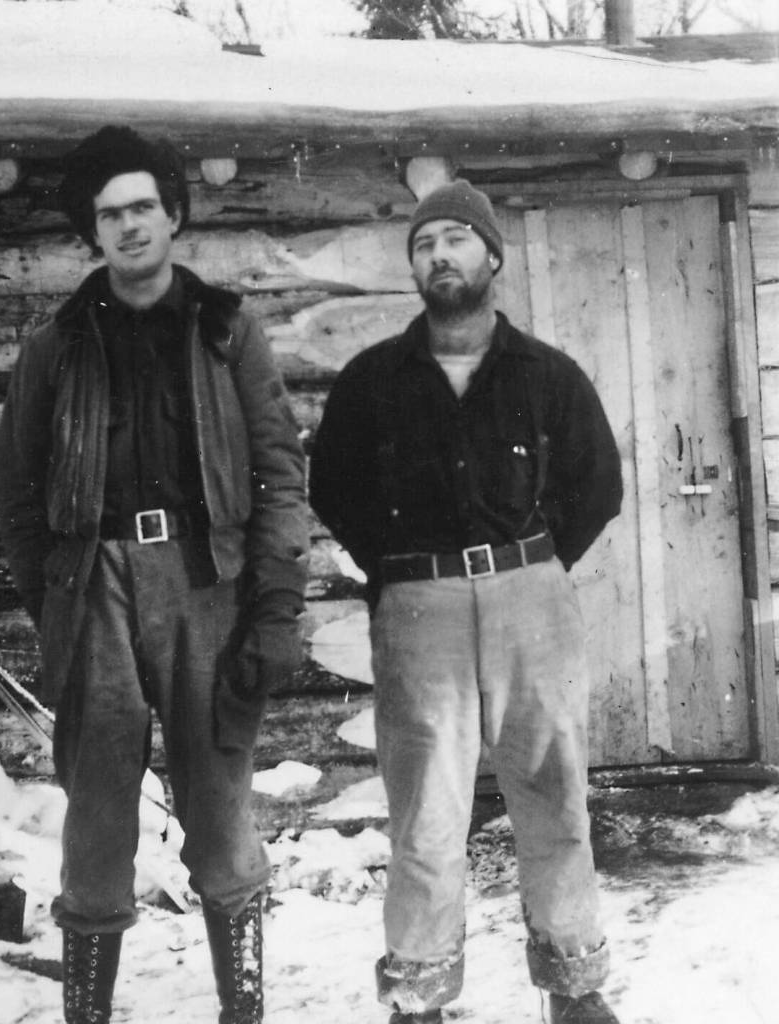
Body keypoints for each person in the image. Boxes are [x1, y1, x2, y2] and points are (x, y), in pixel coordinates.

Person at [0, 125, 308, 1024]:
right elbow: (13, 486)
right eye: (108, 214)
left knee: (218, 801)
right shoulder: (56, 345)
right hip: (93, 586)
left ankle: (242, 1009)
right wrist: (52, 596)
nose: (128, 226)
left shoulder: (225, 333)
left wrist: (276, 601)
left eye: (142, 208)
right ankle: (88, 1013)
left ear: (174, 216)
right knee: (96, 811)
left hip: (205, 583)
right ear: (91, 232)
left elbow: (279, 471)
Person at [309, 180, 623, 1024]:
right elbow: (334, 488)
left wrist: (534, 568)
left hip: (532, 604)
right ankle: (418, 994)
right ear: (414, 268)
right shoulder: (374, 381)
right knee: (426, 820)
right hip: (421, 614)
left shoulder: (546, 375)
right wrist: (403, 575)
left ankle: (577, 986)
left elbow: (597, 485)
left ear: (491, 255)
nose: (439, 255)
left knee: (555, 801)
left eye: (455, 239)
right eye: (423, 245)